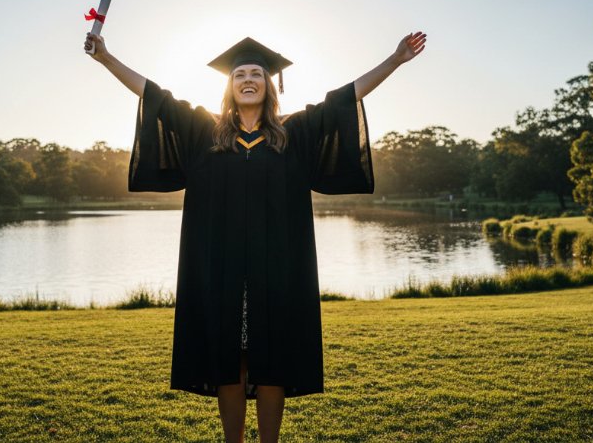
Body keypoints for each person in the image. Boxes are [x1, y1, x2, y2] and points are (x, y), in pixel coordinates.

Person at [85, 30, 426, 443]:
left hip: (278, 272)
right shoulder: (203, 134)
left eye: (257, 74)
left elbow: (345, 98)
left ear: (269, 85)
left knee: (272, 361)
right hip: (218, 270)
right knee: (229, 362)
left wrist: (394, 60)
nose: (248, 79)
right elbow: (155, 94)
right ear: (229, 86)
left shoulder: (294, 135)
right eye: (240, 74)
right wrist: (106, 59)